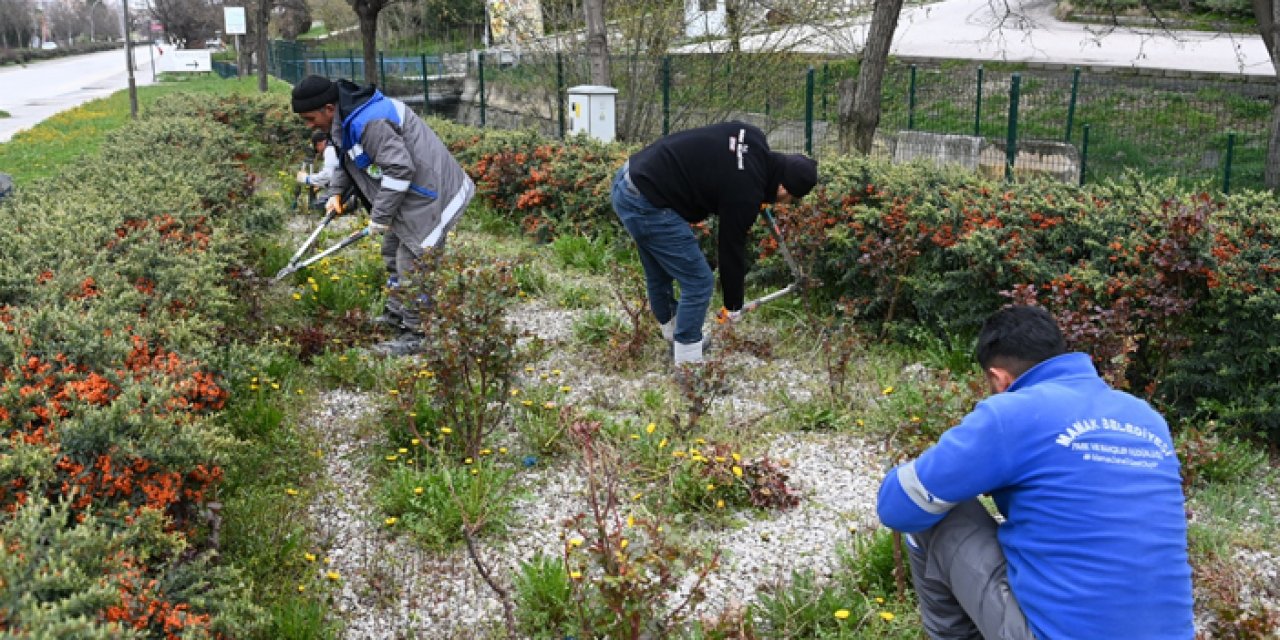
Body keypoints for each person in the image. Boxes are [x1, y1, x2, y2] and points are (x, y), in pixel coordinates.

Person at [876, 305, 1194, 640]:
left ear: (1000, 378)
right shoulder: (1147, 418)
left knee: (933, 508)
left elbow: (897, 507)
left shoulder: (1012, 411)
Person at [290, 75, 475, 357]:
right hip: (413, 192)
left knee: (413, 260)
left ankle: (418, 333)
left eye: (310, 118)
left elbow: (400, 169)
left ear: (328, 108)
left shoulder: (369, 122)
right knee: (391, 251)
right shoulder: (345, 119)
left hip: (433, 192)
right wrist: (337, 193)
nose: (309, 126)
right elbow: (346, 157)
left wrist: (381, 216)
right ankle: (397, 314)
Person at [611, 121, 818, 365]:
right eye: (791, 198)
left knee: (660, 273)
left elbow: (726, 165)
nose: (787, 203)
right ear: (783, 187)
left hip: (630, 178)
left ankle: (676, 338)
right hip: (646, 202)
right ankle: (689, 368)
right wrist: (733, 305)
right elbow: (730, 248)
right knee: (698, 281)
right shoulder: (745, 193)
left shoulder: (753, 137)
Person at [296, 130, 340, 206]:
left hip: (342, 186)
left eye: (317, 149)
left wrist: (307, 179)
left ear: (319, 144)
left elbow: (328, 175)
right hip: (343, 182)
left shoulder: (330, 150)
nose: (318, 152)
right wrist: (319, 184)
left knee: (316, 205)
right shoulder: (334, 146)